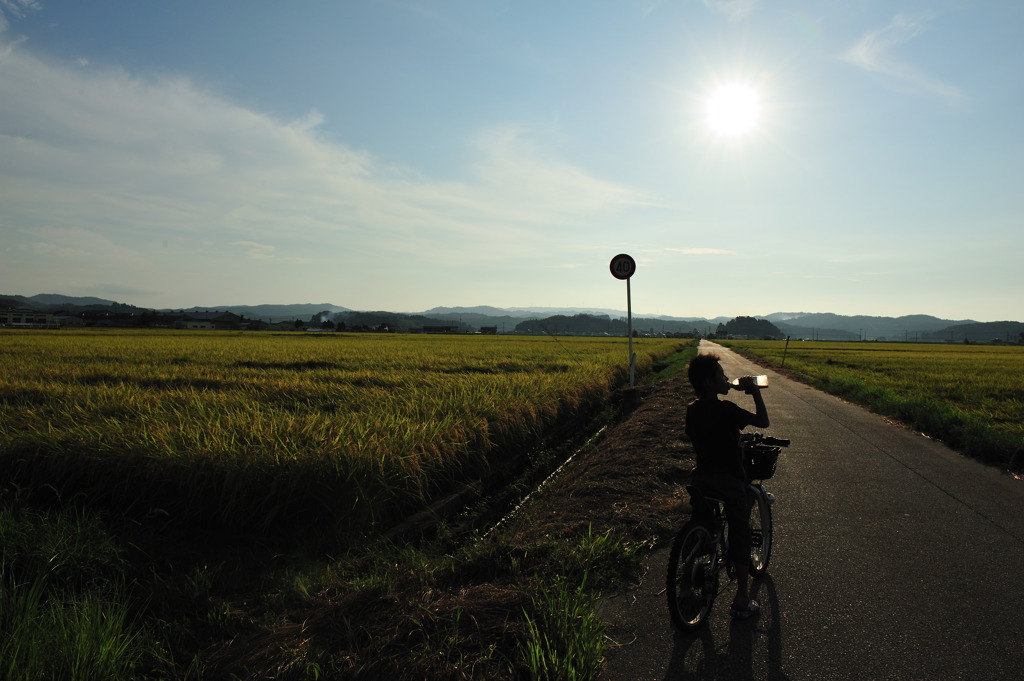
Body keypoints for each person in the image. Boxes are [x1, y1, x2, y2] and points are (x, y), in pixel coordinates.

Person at [685, 352, 769, 620]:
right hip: (729, 481)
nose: (725, 379)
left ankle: (685, 588)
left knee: (699, 524)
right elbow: (763, 421)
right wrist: (754, 392)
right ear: (710, 383)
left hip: (702, 479)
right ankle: (742, 599)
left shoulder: (692, 409)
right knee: (740, 531)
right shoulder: (726, 409)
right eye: (721, 375)